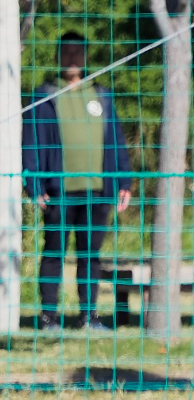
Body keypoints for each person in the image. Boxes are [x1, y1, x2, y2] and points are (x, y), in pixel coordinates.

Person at [22, 32, 132, 331]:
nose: (72, 57)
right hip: (59, 191)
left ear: (85, 56)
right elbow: (29, 144)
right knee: (54, 252)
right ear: (57, 55)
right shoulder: (43, 96)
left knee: (90, 256)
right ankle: (48, 318)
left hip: (98, 190)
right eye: (66, 51)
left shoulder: (101, 95)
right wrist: (33, 185)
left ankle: (89, 317)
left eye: (77, 52)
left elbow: (117, 141)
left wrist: (124, 181)